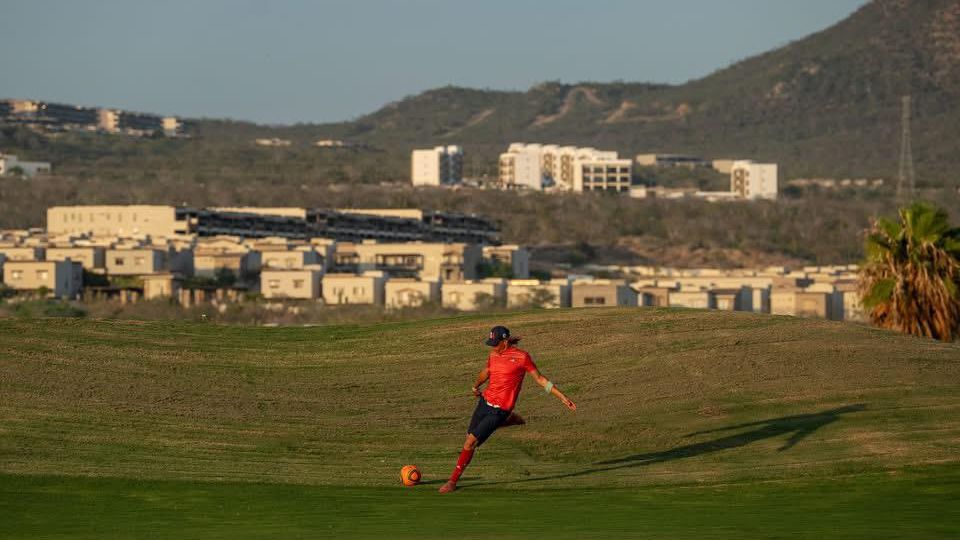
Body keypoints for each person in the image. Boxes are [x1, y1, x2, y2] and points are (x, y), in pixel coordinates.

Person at [438, 325, 577, 494]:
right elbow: (487, 372)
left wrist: (562, 397)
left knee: (470, 442)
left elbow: (540, 379)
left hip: (500, 409)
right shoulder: (493, 355)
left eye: (496, 343)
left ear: (505, 341)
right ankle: (509, 420)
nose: (493, 346)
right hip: (484, 402)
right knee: (469, 439)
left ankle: (452, 481)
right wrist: (475, 386)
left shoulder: (522, 357)